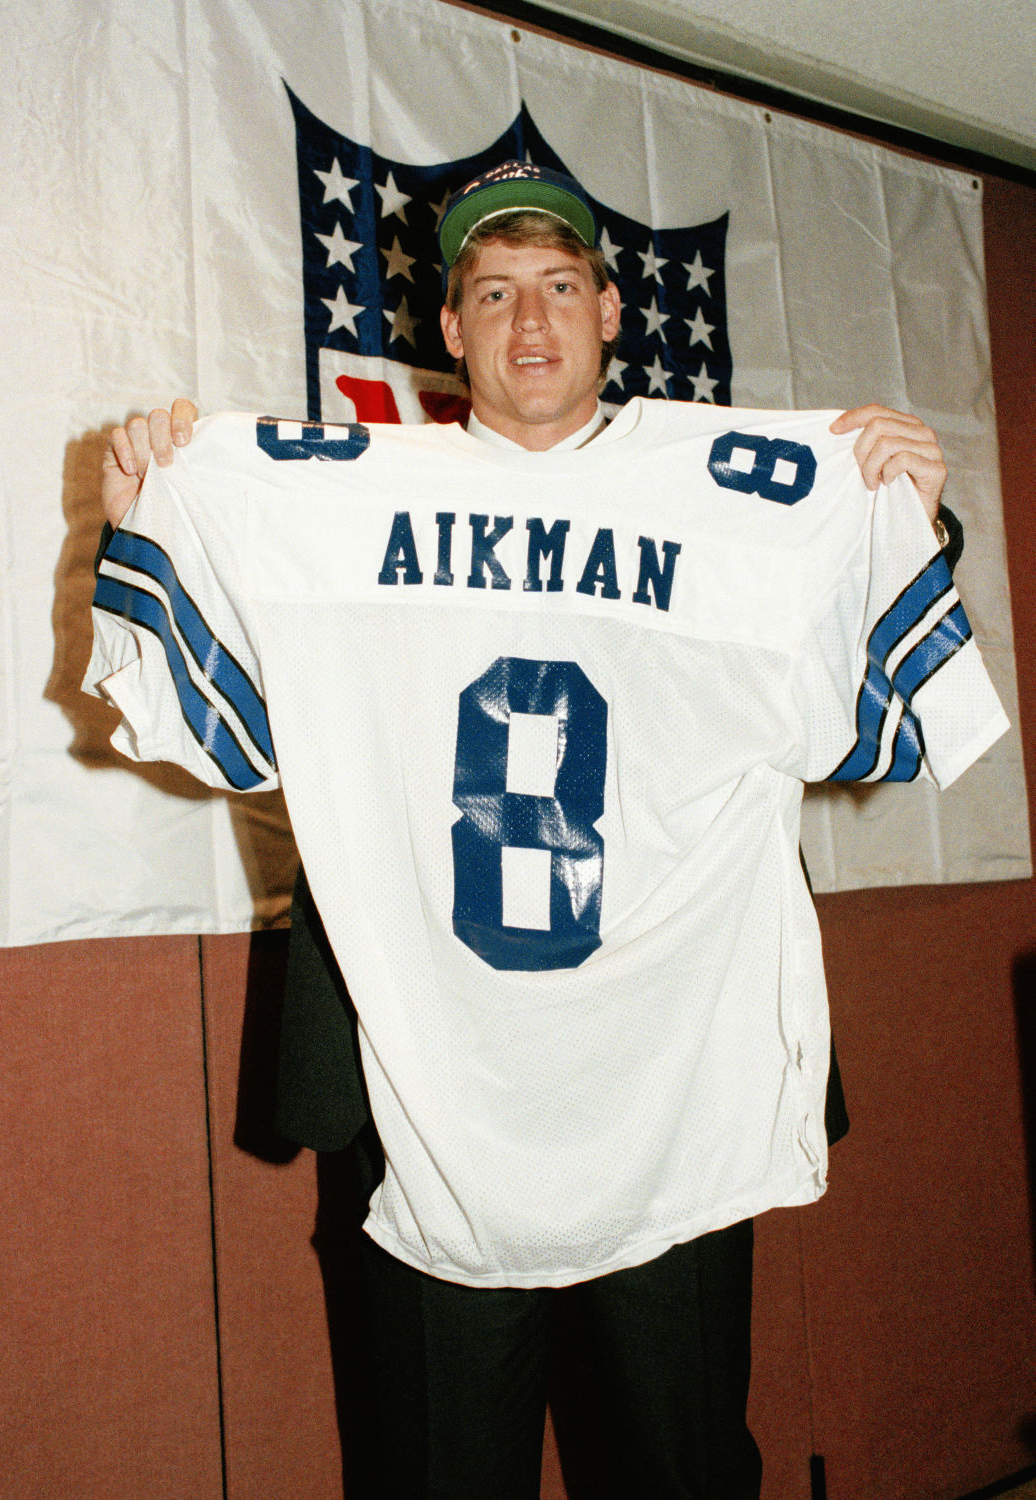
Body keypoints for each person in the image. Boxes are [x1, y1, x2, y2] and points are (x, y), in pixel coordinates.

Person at [92, 162, 1002, 1498]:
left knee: (681, 1467)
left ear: (614, 310)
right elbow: (231, 735)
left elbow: (883, 723)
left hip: (670, 1089)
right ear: (447, 331)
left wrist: (898, 523)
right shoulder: (332, 506)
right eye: (496, 293)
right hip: (423, 1100)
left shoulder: (743, 499)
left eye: (561, 288)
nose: (531, 325)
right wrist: (157, 521)